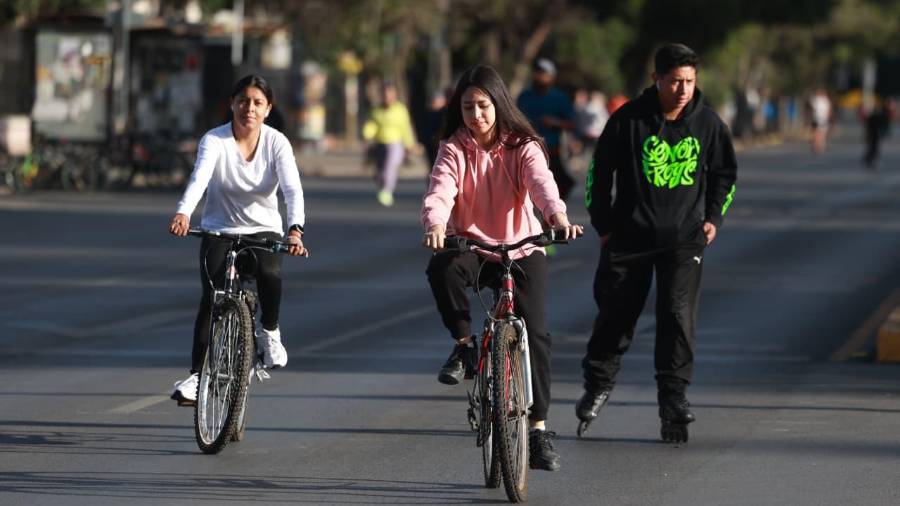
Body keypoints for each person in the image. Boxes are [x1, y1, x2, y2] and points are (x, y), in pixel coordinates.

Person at [421, 64, 583, 471]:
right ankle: (463, 348)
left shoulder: (524, 145)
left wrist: (557, 219)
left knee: (538, 334)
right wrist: (436, 224)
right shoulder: (453, 146)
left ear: (499, 104)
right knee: (441, 269)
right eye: (468, 107)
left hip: (522, 247)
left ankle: (540, 429)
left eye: (483, 106)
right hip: (472, 246)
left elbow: (542, 185)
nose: (476, 115)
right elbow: (440, 189)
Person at [576, 43, 738, 441]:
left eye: (689, 81)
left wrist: (713, 218)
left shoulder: (709, 124)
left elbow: (724, 175)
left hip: (684, 241)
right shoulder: (628, 120)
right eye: (674, 81)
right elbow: (599, 173)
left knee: (677, 317)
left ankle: (673, 400)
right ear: (657, 79)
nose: (682, 89)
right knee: (616, 314)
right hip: (629, 237)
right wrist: (605, 225)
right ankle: (598, 383)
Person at [168, 75, 308, 405]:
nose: (249, 108)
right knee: (212, 298)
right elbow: (199, 178)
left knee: (270, 274)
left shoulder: (276, 143)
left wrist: (295, 229)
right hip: (220, 228)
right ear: (232, 103)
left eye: (258, 102)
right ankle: (197, 377)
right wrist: (183, 212)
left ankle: (269, 331)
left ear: (268, 109)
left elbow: (292, 190)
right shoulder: (214, 140)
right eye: (243, 101)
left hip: (263, 231)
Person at [516, 58, 577, 202]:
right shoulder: (524, 96)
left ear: (552, 76)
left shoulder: (560, 98)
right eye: (537, 72)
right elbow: (514, 119)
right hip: (527, 149)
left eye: (544, 73)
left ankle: (551, 215)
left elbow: (571, 124)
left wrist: (555, 122)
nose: (540, 76)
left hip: (551, 151)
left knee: (562, 184)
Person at [363, 82, 417, 207]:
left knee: (389, 167)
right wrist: (367, 134)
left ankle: (387, 191)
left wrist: (409, 144)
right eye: (384, 95)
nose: (387, 97)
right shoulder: (377, 110)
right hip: (380, 143)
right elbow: (372, 125)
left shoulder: (400, 110)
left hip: (395, 144)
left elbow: (405, 128)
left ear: (395, 95)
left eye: (390, 94)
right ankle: (383, 185)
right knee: (379, 172)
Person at [862, 98, 894, 169]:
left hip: (875, 134)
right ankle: (869, 159)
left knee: (874, 147)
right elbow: (868, 125)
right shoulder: (875, 116)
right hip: (874, 134)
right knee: (873, 147)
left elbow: (884, 124)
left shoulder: (879, 115)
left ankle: (870, 159)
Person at [808, 88, 832, 155]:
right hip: (821, 119)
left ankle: (818, 146)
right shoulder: (825, 100)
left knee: (817, 133)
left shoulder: (817, 100)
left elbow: (812, 107)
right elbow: (829, 110)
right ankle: (819, 146)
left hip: (818, 118)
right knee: (820, 133)